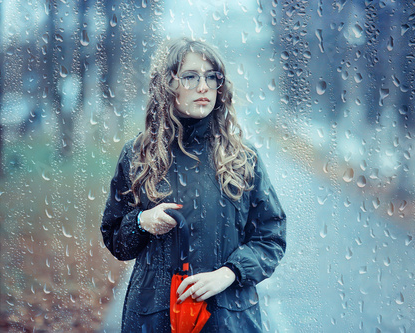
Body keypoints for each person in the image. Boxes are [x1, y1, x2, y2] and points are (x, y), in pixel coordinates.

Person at [101, 37, 286, 332]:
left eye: (211, 77)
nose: (203, 87)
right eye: (190, 76)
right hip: (154, 316)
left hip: (229, 318)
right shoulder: (138, 155)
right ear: (167, 85)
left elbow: (270, 238)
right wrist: (141, 221)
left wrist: (229, 273)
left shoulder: (242, 158)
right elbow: (116, 240)